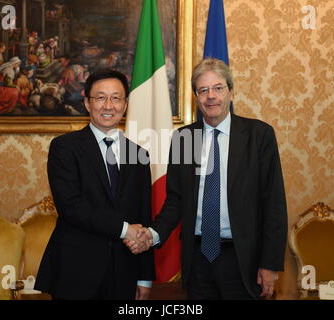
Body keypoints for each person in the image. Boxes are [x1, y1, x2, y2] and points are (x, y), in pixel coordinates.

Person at [125, 58, 288, 300]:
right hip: (198, 259)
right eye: (203, 90)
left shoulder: (258, 136)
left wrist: (270, 264)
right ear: (196, 97)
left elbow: (274, 204)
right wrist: (153, 234)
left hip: (243, 259)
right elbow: (175, 202)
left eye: (218, 88)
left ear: (231, 92)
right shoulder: (184, 138)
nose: (211, 96)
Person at [35, 69, 155, 300]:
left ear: (125, 104)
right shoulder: (65, 148)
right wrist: (124, 229)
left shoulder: (139, 154)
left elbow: (143, 214)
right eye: (100, 97)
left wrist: (144, 277)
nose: (108, 105)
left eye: (116, 98)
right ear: (87, 103)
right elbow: (71, 206)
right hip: (76, 271)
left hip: (124, 272)